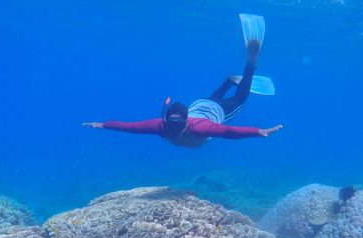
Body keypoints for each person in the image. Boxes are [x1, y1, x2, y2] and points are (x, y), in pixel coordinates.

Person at [83, 14, 283, 148]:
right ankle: (229, 81)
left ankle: (250, 66)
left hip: (212, 111)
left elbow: (229, 131)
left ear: (186, 122)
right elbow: (131, 127)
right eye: (172, 125)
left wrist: (258, 132)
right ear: (166, 120)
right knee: (215, 100)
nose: (174, 130)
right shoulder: (159, 126)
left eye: (178, 126)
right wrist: (104, 125)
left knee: (239, 100)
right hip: (202, 105)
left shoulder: (201, 128)